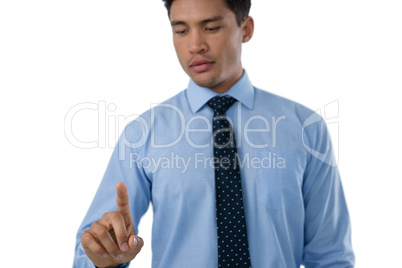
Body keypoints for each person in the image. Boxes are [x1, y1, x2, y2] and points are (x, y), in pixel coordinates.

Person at [73, 0, 355, 267]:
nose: (195, 45)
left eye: (211, 27)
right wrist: (104, 259)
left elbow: (330, 256)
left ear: (245, 29)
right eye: (181, 30)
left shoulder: (306, 129)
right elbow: (92, 246)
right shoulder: (143, 134)